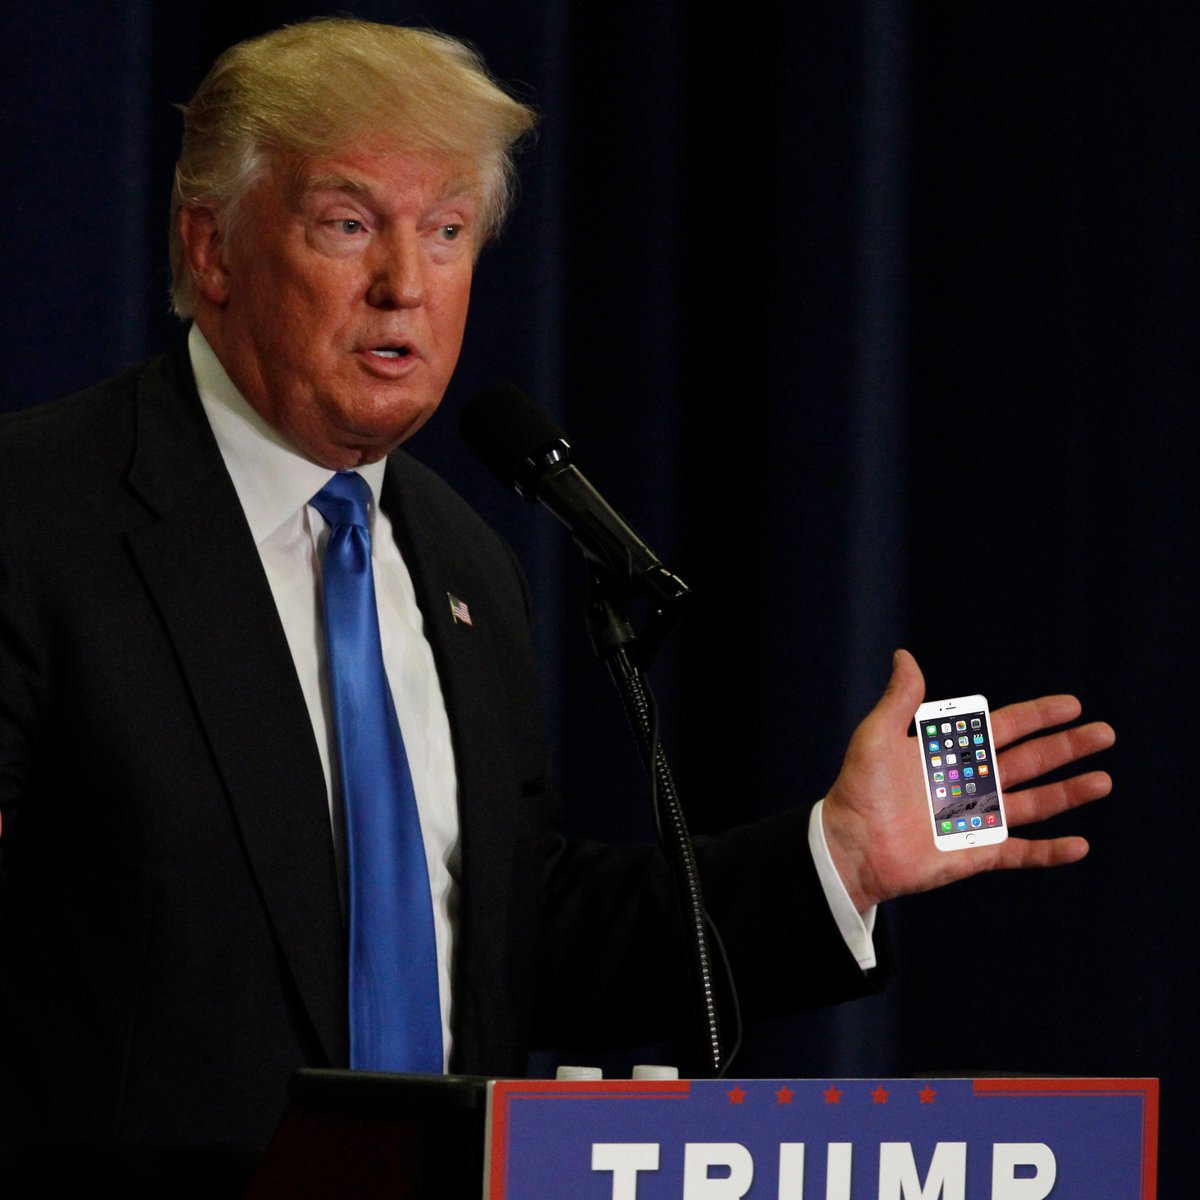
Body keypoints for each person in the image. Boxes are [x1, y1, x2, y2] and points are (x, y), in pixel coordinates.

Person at [0, 16, 1113, 1191]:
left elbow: (520, 943)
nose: (404, 285)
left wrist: (838, 858)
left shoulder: (464, 562)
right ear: (212, 248)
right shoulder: (39, 516)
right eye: (348, 225)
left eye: (446, 232)